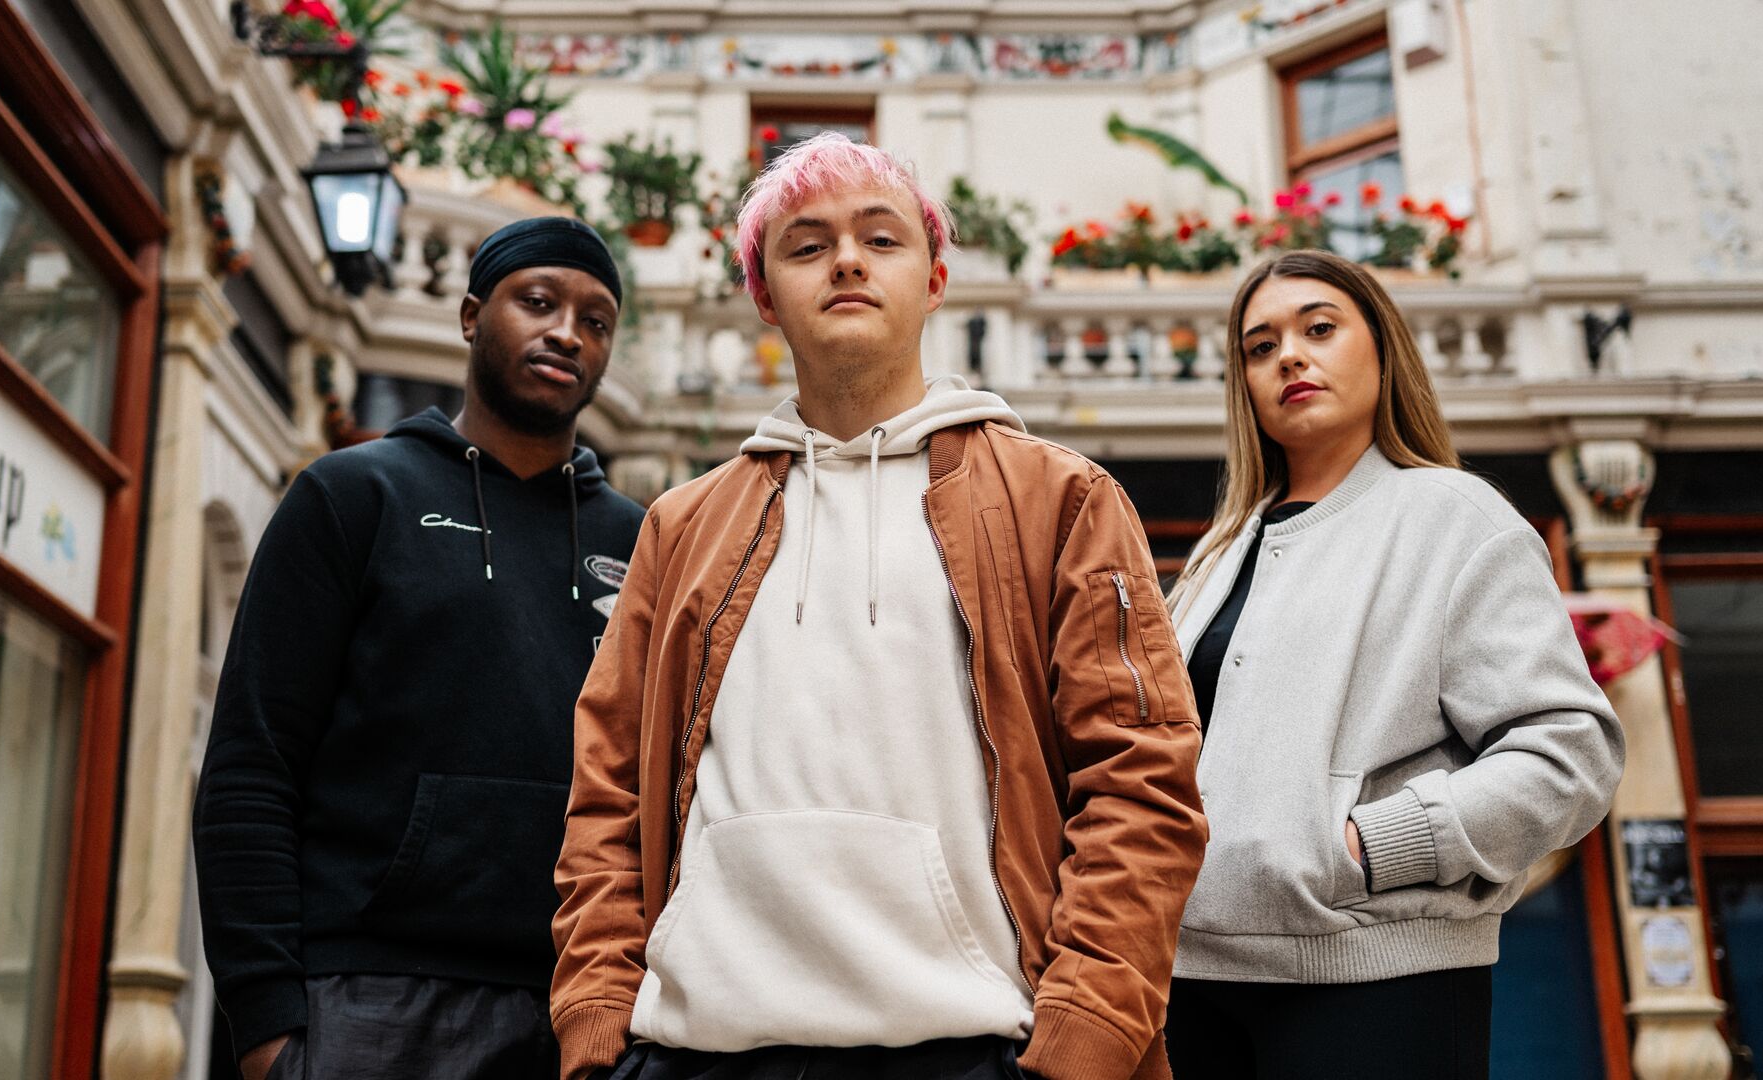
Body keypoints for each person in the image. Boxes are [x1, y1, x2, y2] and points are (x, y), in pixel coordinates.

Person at [550, 132, 1208, 1080]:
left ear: (935, 280)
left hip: (978, 1048)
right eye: (808, 245)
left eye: (881, 239)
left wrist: (1090, 1037)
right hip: (695, 1052)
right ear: (765, 295)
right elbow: (605, 790)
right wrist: (596, 1017)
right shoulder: (681, 527)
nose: (847, 260)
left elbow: (1143, 780)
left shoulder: (1060, 501)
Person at [194, 217, 645, 1080]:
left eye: (596, 320)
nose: (567, 333)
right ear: (473, 316)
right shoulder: (354, 495)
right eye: (539, 302)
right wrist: (266, 1027)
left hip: (574, 1002)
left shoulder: (641, 543)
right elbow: (253, 763)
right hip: (363, 997)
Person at [1162, 249, 1625, 1080]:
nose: (1289, 357)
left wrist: (1372, 845)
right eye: (1260, 347)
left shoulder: (1454, 516)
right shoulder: (1217, 553)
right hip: (1187, 977)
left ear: (1382, 349)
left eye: (1319, 329)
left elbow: (1569, 752)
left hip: (1378, 975)